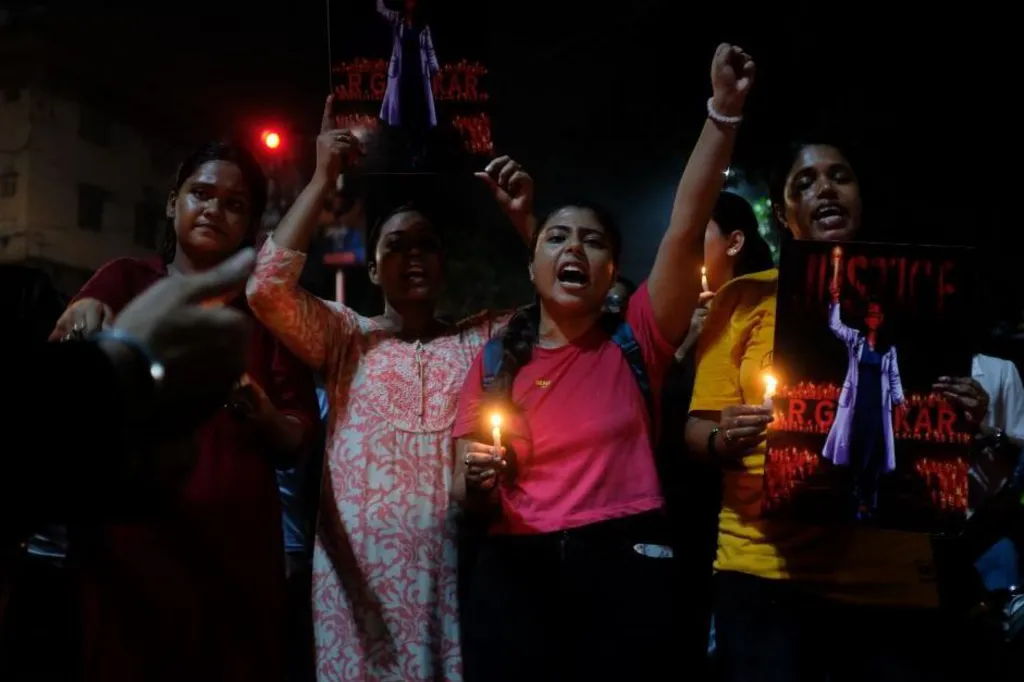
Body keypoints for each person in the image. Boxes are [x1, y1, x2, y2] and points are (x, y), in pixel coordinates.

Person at [451, 44, 755, 681]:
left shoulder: (639, 337)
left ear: (612, 272)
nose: (575, 249)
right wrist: (477, 479)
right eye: (557, 238)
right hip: (515, 575)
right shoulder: (493, 361)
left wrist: (722, 113)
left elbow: (686, 221)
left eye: (593, 242)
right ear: (532, 267)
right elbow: (461, 486)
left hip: (628, 565)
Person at [245, 98, 534, 681]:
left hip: (449, 580)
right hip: (356, 593)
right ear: (373, 271)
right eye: (394, 247)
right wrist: (324, 177)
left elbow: (563, 308)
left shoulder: (477, 340)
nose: (412, 256)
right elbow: (265, 287)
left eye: (424, 243)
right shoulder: (344, 336)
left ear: (444, 263)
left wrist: (529, 222)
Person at [697, 138, 992, 682]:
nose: (824, 188)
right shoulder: (744, 298)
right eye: (804, 183)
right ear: (785, 215)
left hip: (890, 585)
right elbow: (697, 428)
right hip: (765, 575)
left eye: (840, 176)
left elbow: (914, 398)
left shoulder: (919, 299)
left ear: (861, 197)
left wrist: (956, 418)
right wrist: (724, 438)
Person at [50, 142, 318, 682]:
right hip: (130, 542)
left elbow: (297, 437)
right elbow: (66, 365)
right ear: (173, 203)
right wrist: (80, 321)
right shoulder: (125, 281)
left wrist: (262, 412)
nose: (214, 209)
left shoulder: (265, 310)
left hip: (235, 553)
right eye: (201, 193)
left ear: (248, 227)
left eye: (235, 204)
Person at [822, 290, 906, 520]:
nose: (873, 318)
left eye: (877, 315)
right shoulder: (856, 339)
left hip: (877, 410)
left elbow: (894, 376)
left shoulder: (888, 349)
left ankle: (870, 504)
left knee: (875, 458)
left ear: (882, 319)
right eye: (870, 314)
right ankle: (853, 502)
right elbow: (835, 325)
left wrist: (900, 400)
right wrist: (836, 301)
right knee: (856, 454)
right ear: (865, 317)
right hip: (856, 407)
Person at [376, 0, 440, 166]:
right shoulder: (398, 19)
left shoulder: (423, 26)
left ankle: (418, 154)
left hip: (419, 77)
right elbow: (381, 10)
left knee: (418, 116)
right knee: (401, 114)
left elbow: (429, 50)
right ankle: (403, 154)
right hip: (401, 75)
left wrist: (435, 70)